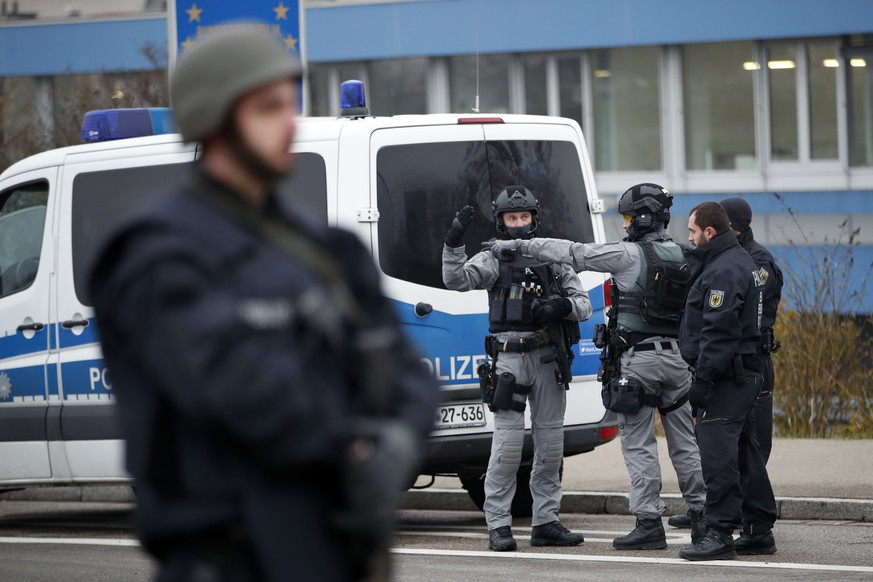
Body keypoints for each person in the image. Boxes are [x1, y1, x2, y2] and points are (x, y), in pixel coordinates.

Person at [88, 28, 438, 582]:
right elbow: (239, 389)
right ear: (217, 118)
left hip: (335, 549)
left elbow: (408, 374)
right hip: (229, 556)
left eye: (290, 104)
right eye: (268, 108)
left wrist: (396, 441)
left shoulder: (327, 248)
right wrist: (353, 443)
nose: (289, 123)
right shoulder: (156, 252)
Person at [488, 183, 706, 550]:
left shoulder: (627, 255)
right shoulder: (687, 255)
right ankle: (703, 518)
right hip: (680, 363)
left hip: (639, 363)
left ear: (642, 219)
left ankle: (649, 522)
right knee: (686, 444)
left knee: (639, 445)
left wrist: (522, 245)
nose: (624, 226)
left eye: (627, 218)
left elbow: (576, 254)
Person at [442, 186, 591, 552]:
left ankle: (546, 522)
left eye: (525, 218)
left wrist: (560, 307)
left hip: (547, 359)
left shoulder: (554, 257)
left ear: (534, 219)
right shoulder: (493, 258)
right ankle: (498, 524)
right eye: (512, 218)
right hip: (509, 360)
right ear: (502, 222)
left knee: (551, 445)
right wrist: (453, 244)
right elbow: (456, 280)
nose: (520, 225)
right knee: (508, 447)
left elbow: (583, 304)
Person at [678, 201, 778, 561]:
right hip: (742, 371)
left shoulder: (724, 269)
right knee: (744, 450)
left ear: (709, 231)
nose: (688, 238)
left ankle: (719, 533)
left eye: (692, 231)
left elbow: (719, 330)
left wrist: (704, 377)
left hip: (728, 375)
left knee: (717, 451)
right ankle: (758, 527)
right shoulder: (735, 261)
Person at [719, 197, 783, 464]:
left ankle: (753, 502)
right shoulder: (725, 257)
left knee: (755, 442)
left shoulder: (759, 261)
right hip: (729, 362)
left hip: (754, 360)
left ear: (734, 227)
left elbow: (742, 296)